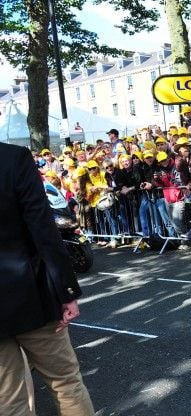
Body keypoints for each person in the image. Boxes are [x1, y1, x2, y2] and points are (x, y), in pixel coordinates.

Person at [0, 142, 94, 415]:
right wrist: (67, 292)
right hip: (30, 293)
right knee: (65, 383)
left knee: (8, 400)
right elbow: (43, 229)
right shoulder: (13, 158)